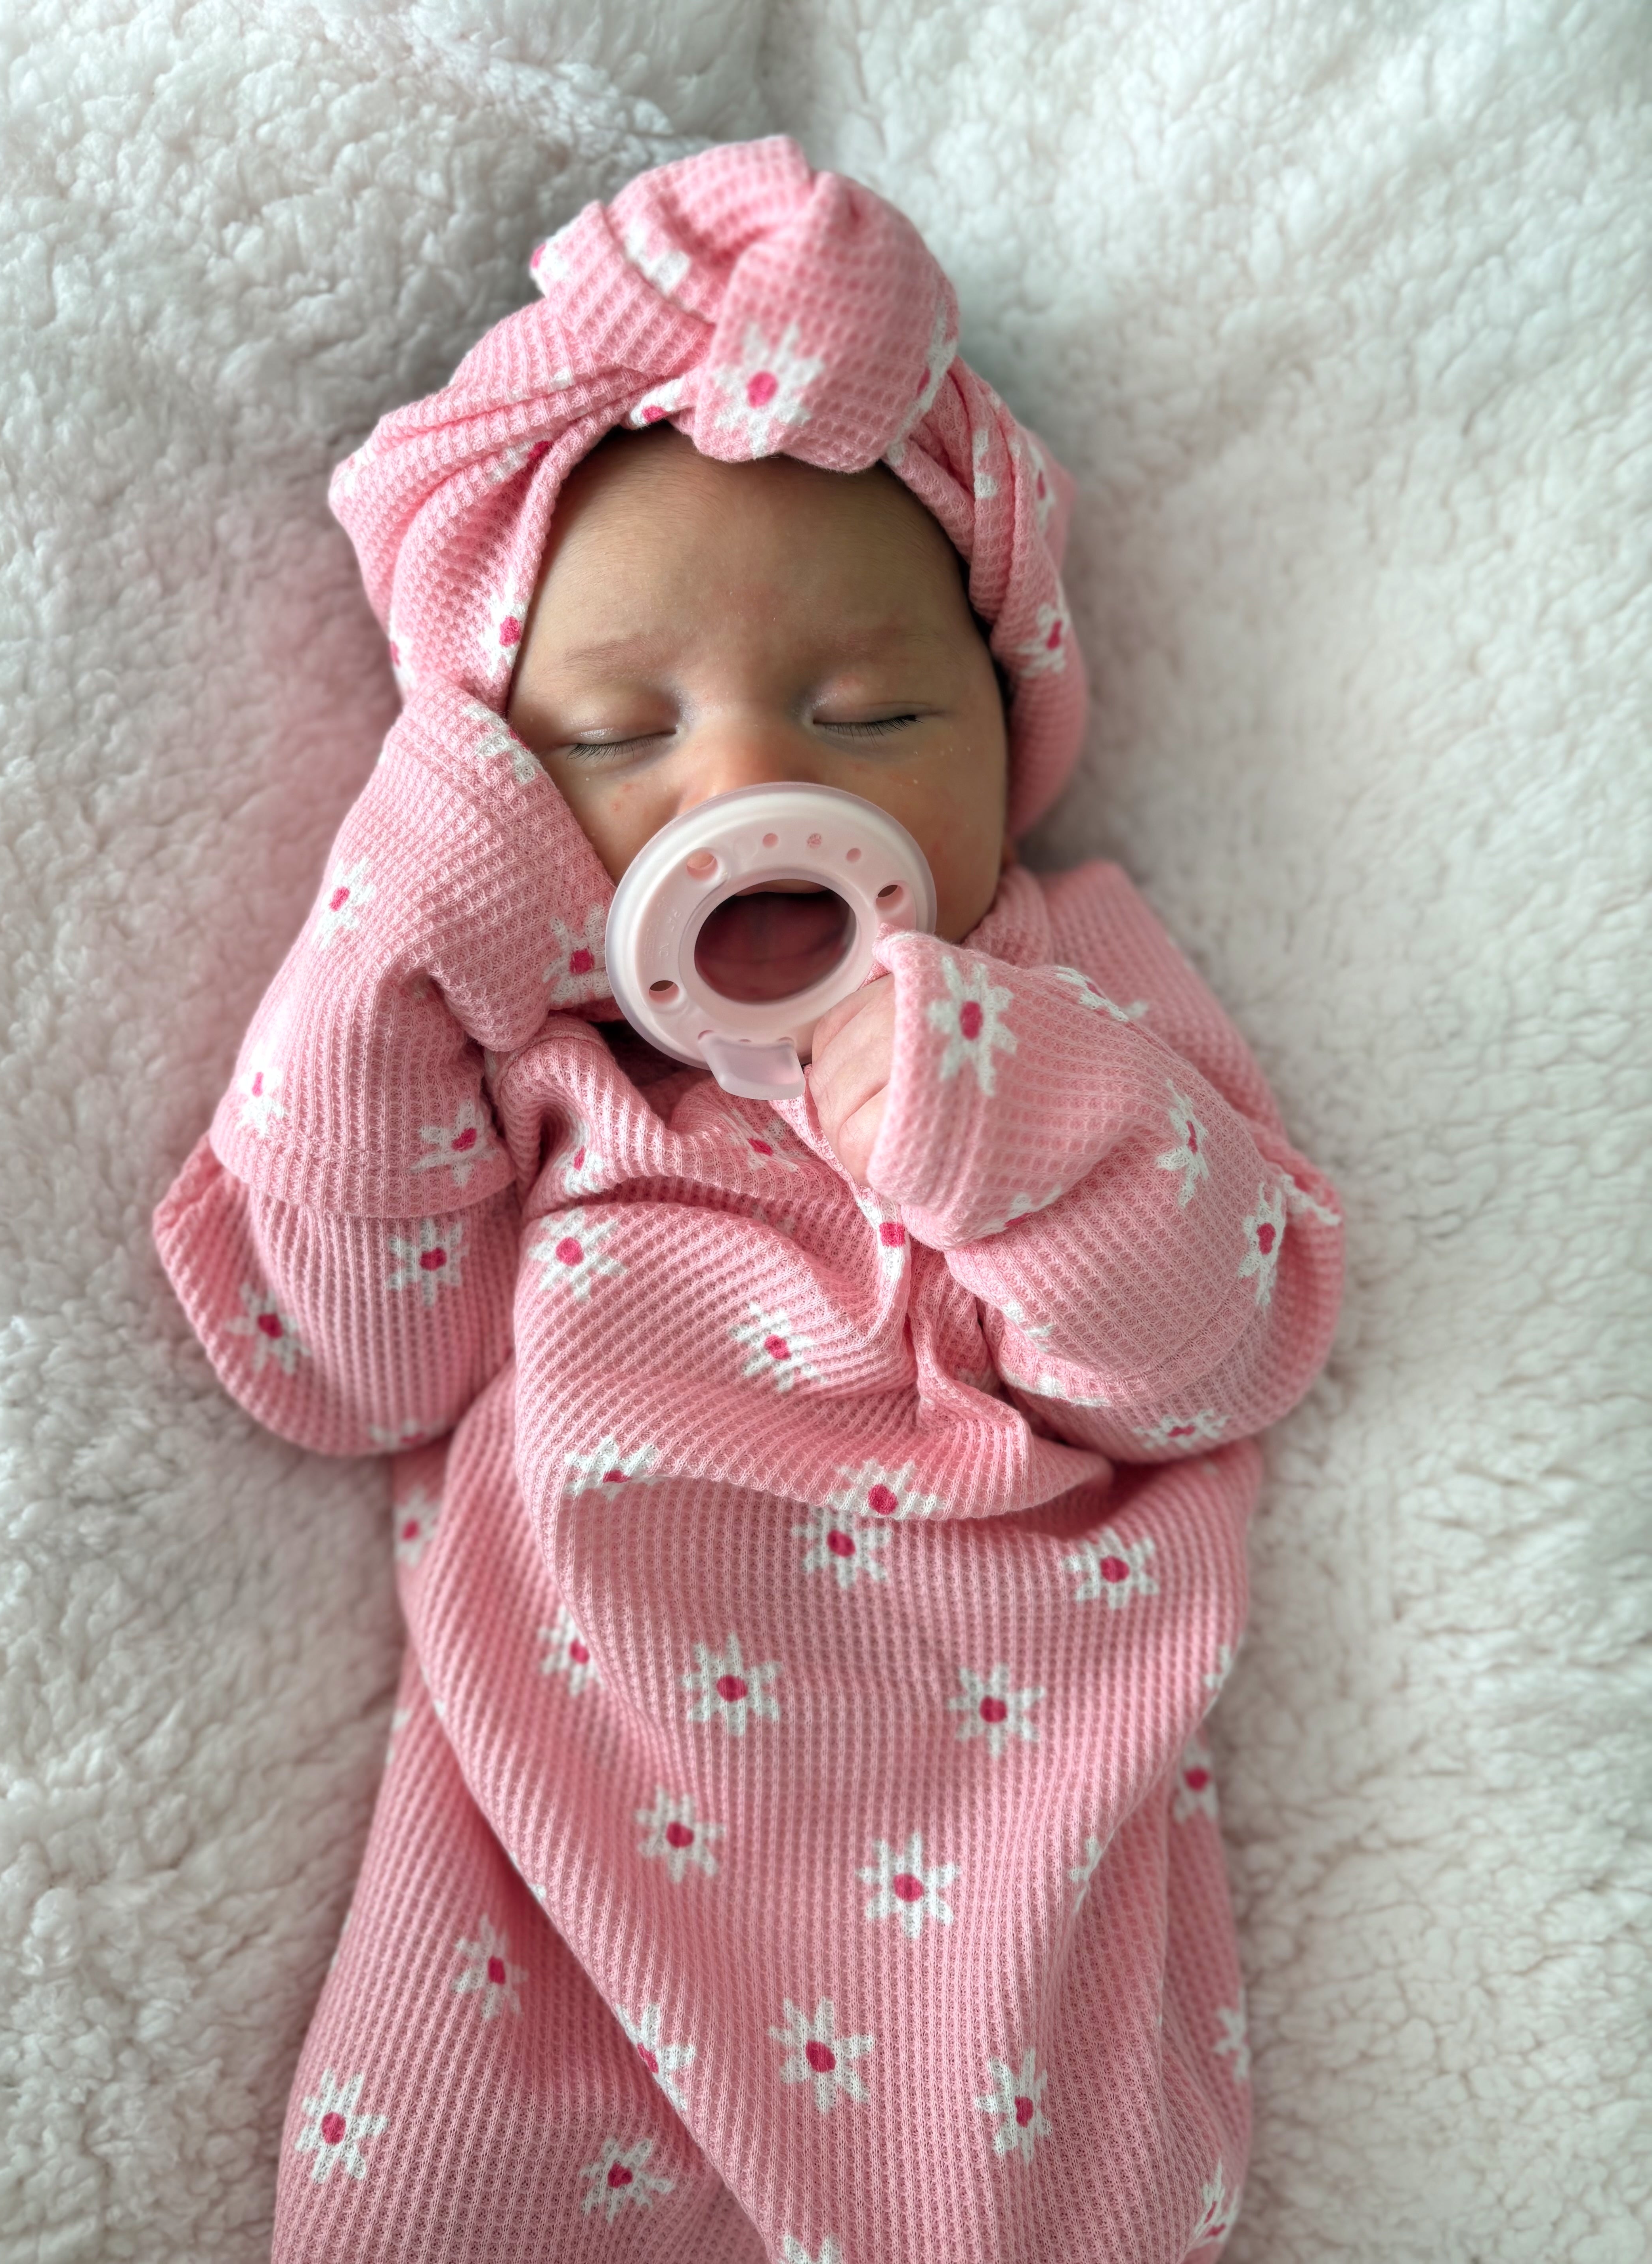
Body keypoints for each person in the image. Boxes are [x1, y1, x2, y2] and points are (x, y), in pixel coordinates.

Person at [154, 134, 1343, 2264]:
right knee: (422, 2191)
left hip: (978, 1836)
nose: (745, 790)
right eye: (617, 736)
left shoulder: (1062, 984)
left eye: (873, 711)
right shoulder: (529, 1059)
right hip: (555, 1860)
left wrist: (1011, 1113)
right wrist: (387, 950)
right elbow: (338, 1365)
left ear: (1013, 731)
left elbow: (1234, 1341)